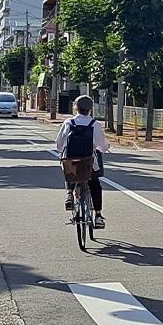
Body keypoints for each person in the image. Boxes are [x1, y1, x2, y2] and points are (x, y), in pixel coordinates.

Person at [56, 94, 108, 229]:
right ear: (91, 109)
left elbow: (59, 145)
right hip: (87, 162)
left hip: (71, 161)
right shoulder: (94, 124)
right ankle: (98, 215)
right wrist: (104, 148)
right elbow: (101, 146)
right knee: (95, 184)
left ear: (75, 108)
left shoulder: (68, 123)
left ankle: (69, 193)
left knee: (69, 171)